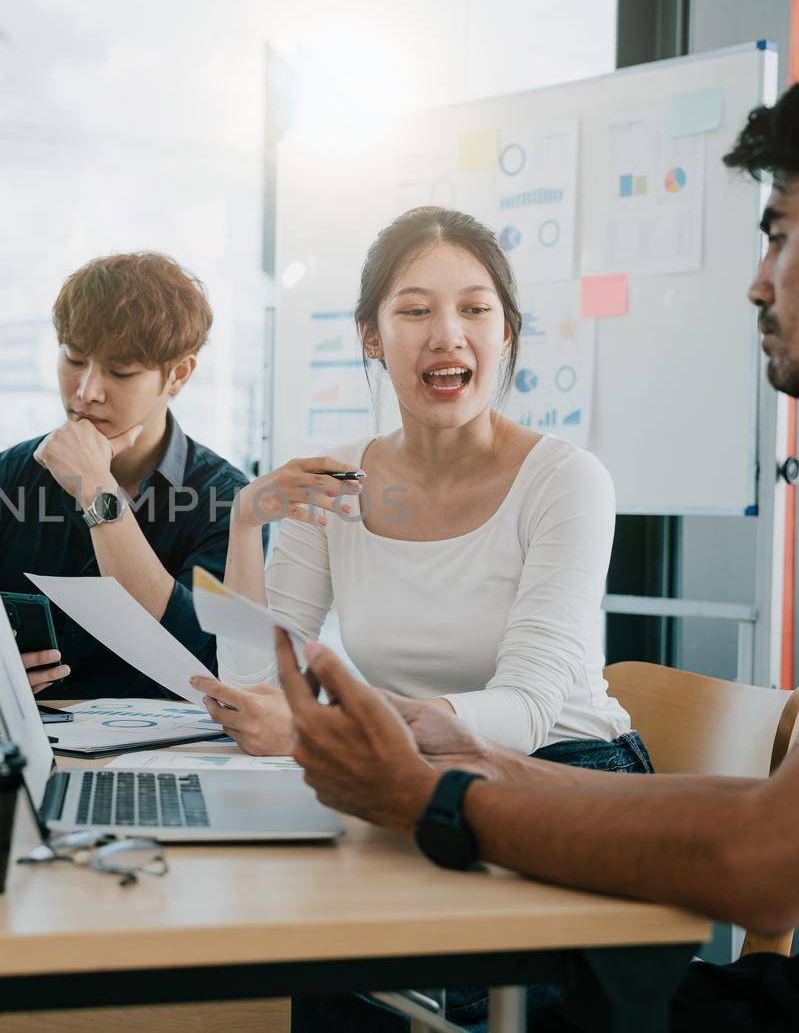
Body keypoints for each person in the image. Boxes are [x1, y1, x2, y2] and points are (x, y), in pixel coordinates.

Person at [280, 30, 799, 1033]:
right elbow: (776, 824)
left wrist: (433, 797)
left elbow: (774, 865)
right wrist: (464, 758)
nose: (756, 280)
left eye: (779, 233)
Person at [191, 208, 643, 780]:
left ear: (504, 333)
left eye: (476, 310)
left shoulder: (566, 480)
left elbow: (527, 712)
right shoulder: (335, 482)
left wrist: (332, 728)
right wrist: (245, 523)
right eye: (414, 311)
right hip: (414, 763)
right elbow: (255, 687)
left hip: (568, 769)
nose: (447, 335)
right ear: (371, 336)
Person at [0, 252, 250, 702]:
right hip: (22, 755)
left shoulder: (227, 501)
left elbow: (209, 661)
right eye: (73, 359)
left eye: (121, 371)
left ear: (178, 375)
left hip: (169, 761)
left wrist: (96, 489)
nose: (86, 391)